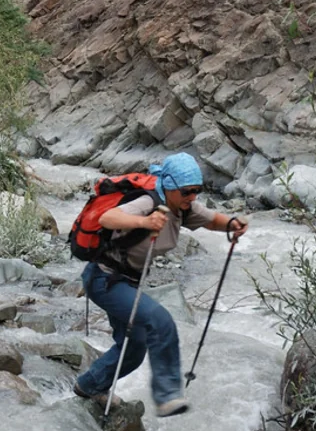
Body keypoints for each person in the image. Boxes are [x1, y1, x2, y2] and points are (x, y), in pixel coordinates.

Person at [73, 153, 248, 417]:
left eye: (197, 191)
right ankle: (168, 396)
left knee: (134, 350)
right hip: (104, 279)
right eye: (187, 191)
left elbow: (211, 219)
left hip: (128, 282)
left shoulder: (183, 207)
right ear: (168, 185)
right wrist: (145, 221)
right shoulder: (148, 201)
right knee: (160, 321)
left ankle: (88, 386)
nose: (193, 197)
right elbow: (108, 218)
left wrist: (232, 224)